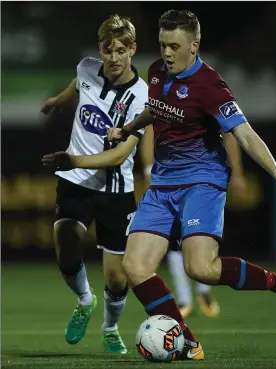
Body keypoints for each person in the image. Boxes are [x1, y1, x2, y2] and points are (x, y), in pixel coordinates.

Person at [107, 9, 276, 361]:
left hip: (202, 181)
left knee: (200, 269)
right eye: (162, 45)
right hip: (162, 184)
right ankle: (188, 342)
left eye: (174, 46)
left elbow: (244, 133)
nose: (167, 53)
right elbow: (155, 109)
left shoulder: (211, 86)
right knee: (135, 267)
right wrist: (129, 128)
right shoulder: (158, 72)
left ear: (195, 45)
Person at [41, 14, 148, 354]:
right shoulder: (87, 68)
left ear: (132, 50)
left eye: (120, 50)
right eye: (107, 50)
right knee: (65, 245)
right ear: (99, 50)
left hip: (115, 192)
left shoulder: (142, 97)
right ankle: (85, 301)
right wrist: (60, 101)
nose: (113, 57)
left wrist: (72, 159)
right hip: (75, 184)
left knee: (118, 278)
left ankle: (110, 327)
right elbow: (78, 83)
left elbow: (119, 156)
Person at [140, 125, 247, 319]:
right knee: (175, 239)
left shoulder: (208, 98)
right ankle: (184, 299)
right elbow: (149, 130)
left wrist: (238, 173)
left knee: (204, 235)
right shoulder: (165, 99)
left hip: (206, 177)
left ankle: (204, 291)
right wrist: (149, 171)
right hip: (172, 176)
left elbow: (231, 134)